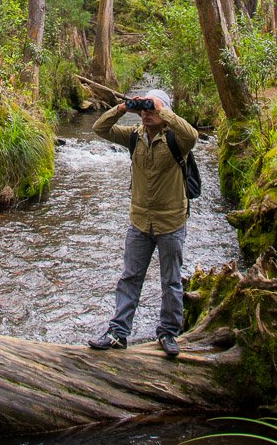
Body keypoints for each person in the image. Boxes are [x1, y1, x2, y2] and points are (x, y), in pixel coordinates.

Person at [87, 88, 198, 358]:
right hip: (139, 221)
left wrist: (163, 110)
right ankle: (118, 332)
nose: (147, 114)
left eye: (152, 109)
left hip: (170, 222)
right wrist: (124, 108)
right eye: (145, 109)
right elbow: (99, 128)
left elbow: (192, 136)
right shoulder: (133, 137)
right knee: (130, 278)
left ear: (164, 112)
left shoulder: (177, 140)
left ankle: (169, 332)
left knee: (170, 281)